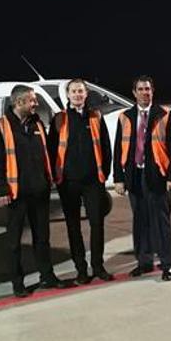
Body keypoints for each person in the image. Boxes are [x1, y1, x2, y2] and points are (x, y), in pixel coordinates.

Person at [0, 84, 71, 297]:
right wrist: (1, 189)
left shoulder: (38, 124)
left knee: (42, 238)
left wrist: (49, 179)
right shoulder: (0, 127)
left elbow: (45, 154)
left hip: (39, 192)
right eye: (32, 100)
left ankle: (47, 276)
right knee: (14, 242)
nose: (36, 104)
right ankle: (18, 283)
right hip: (16, 194)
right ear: (19, 102)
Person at [113, 75, 171, 281]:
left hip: (157, 175)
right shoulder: (125, 117)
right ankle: (144, 262)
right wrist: (119, 178)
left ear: (153, 91)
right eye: (141, 89)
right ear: (134, 93)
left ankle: (167, 263)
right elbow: (119, 149)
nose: (145, 92)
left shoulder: (165, 115)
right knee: (140, 220)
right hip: (134, 175)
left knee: (160, 220)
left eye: (148, 89)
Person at [47, 79, 114, 284]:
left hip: (93, 181)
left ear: (86, 95)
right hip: (68, 183)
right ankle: (81, 270)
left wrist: (104, 174)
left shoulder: (95, 117)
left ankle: (98, 266)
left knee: (97, 224)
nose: (77, 94)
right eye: (74, 91)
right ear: (68, 95)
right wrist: (56, 178)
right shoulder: (59, 119)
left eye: (81, 91)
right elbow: (50, 151)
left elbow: (105, 147)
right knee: (73, 227)